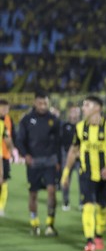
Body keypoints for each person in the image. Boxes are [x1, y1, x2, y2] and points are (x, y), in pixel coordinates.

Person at [61, 96, 106, 251]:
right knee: (88, 206)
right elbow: (73, 151)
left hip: (104, 174)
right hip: (86, 173)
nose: (83, 108)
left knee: (102, 207)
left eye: (87, 105)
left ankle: (99, 235)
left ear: (97, 108)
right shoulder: (80, 127)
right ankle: (89, 240)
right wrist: (65, 173)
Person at [16, 92, 62, 236]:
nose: (43, 106)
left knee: (51, 191)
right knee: (33, 194)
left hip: (49, 161)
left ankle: (50, 224)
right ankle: (34, 223)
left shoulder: (53, 119)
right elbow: (19, 140)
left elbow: (58, 142)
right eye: (41, 103)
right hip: (34, 161)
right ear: (35, 103)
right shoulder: (27, 120)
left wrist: (59, 161)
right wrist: (25, 155)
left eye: (45, 103)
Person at [60, 103, 81, 211]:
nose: (74, 114)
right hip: (66, 156)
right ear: (69, 113)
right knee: (66, 179)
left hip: (80, 157)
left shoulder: (83, 126)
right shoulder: (64, 126)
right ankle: (65, 201)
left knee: (82, 180)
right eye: (73, 111)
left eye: (76, 112)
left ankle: (82, 202)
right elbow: (61, 142)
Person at [0, 99, 16, 217]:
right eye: (3, 108)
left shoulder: (7, 121)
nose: (5, 110)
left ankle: (1, 207)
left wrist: (13, 151)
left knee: (3, 180)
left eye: (7, 108)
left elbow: (9, 138)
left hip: (4, 155)